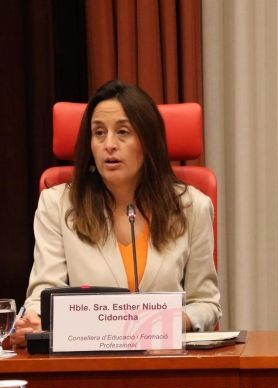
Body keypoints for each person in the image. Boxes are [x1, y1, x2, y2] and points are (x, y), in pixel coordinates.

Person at [12, 80, 220, 346]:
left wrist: (179, 320)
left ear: (148, 140)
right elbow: (43, 295)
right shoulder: (57, 205)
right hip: (87, 361)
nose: (109, 144)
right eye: (99, 133)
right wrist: (36, 320)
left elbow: (206, 303)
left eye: (123, 132)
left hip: (165, 358)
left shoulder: (193, 207)